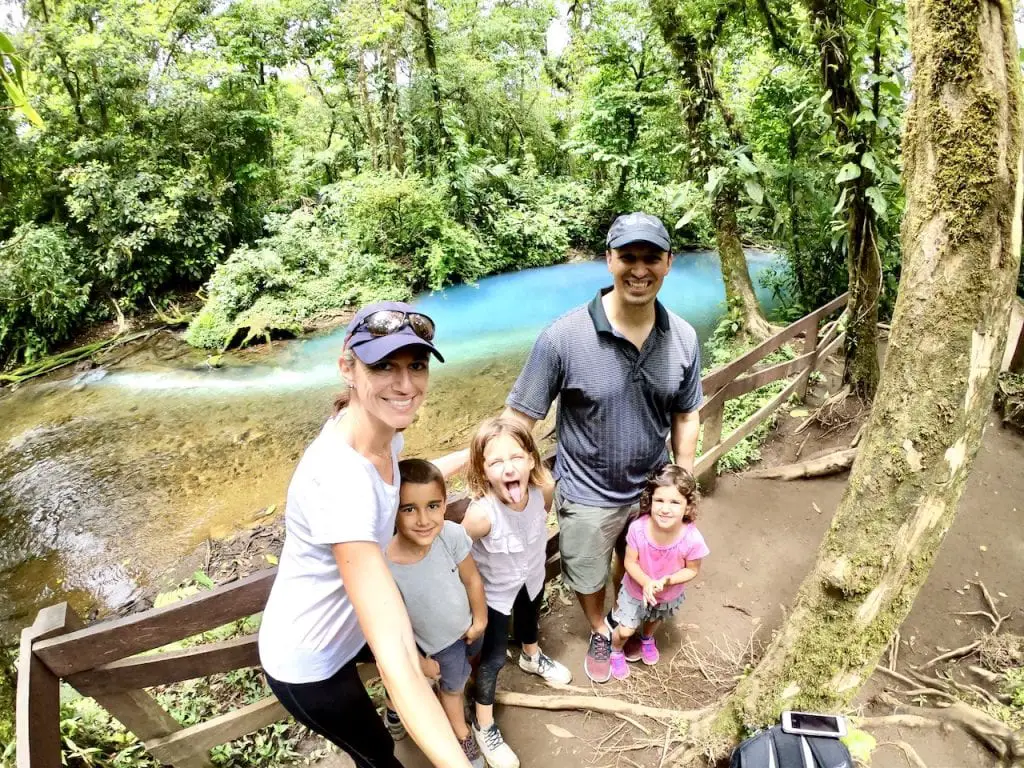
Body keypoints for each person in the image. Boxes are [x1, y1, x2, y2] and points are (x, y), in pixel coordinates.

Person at [257, 301, 474, 768]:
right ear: (347, 369)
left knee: (426, 666)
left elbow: (401, 478)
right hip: (309, 660)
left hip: (347, 626)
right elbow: (393, 653)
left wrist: (472, 454)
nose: (405, 384)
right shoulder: (339, 480)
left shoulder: (379, 433)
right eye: (382, 366)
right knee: (377, 755)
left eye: (416, 365)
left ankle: (412, 715)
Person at [503, 212, 704, 683]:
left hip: (651, 494)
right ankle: (601, 626)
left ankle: (629, 618)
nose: (639, 269)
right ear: (609, 260)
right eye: (627, 257)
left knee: (642, 564)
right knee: (589, 574)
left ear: (669, 263)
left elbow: (686, 412)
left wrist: (684, 477)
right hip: (588, 491)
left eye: (651, 257)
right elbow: (518, 419)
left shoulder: (683, 338)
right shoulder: (563, 338)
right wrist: (529, 479)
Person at [462, 417, 573, 768]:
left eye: (516, 458)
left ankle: (531, 655)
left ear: (530, 459)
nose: (508, 468)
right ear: (482, 471)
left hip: (532, 580)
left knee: (529, 624)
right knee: (492, 659)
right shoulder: (482, 516)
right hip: (494, 597)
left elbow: (538, 519)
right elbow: (456, 554)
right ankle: (484, 723)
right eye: (496, 462)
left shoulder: (544, 491)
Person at [386, 458, 488, 768]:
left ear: (444, 504)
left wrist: (480, 618)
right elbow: (392, 627)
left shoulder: (451, 536)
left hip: (467, 628)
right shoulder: (385, 565)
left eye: (432, 506)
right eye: (408, 509)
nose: (423, 519)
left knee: (458, 675)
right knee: (451, 689)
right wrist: (418, 662)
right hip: (434, 646)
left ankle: (397, 707)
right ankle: (460, 734)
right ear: (392, 511)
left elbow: (471, 578)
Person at [607, 464, 709, 681]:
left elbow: (692, 570)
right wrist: (646, 582)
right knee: (625, 630)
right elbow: (629, 562)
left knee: (654, 619)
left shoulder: (692, 539)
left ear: (687, 506)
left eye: (675, 502)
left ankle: (646, 638)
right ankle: (615, 650)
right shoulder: (638, 529)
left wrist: (667, 580)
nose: (665, 508)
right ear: (650, 500)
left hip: (667, 593)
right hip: (636, 591)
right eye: (659, 500)